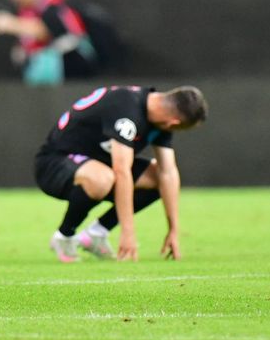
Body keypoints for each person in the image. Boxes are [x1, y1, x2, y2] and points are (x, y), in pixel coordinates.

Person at [35, 85, 208, 263]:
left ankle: (96, 233)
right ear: (174, 123)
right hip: (54, 164)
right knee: (102, 178)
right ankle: (64, 236)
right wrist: (128, 233)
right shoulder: (127, 109)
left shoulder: (158, 118)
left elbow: (168, 172)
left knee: (158, 178)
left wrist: (173, 230)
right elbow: (122, 171)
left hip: (99, 163)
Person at [0, 0, 101, 85]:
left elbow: (47, 32)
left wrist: (10, 24)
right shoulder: (27, 10)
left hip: (77, 61)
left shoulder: (53, 0)